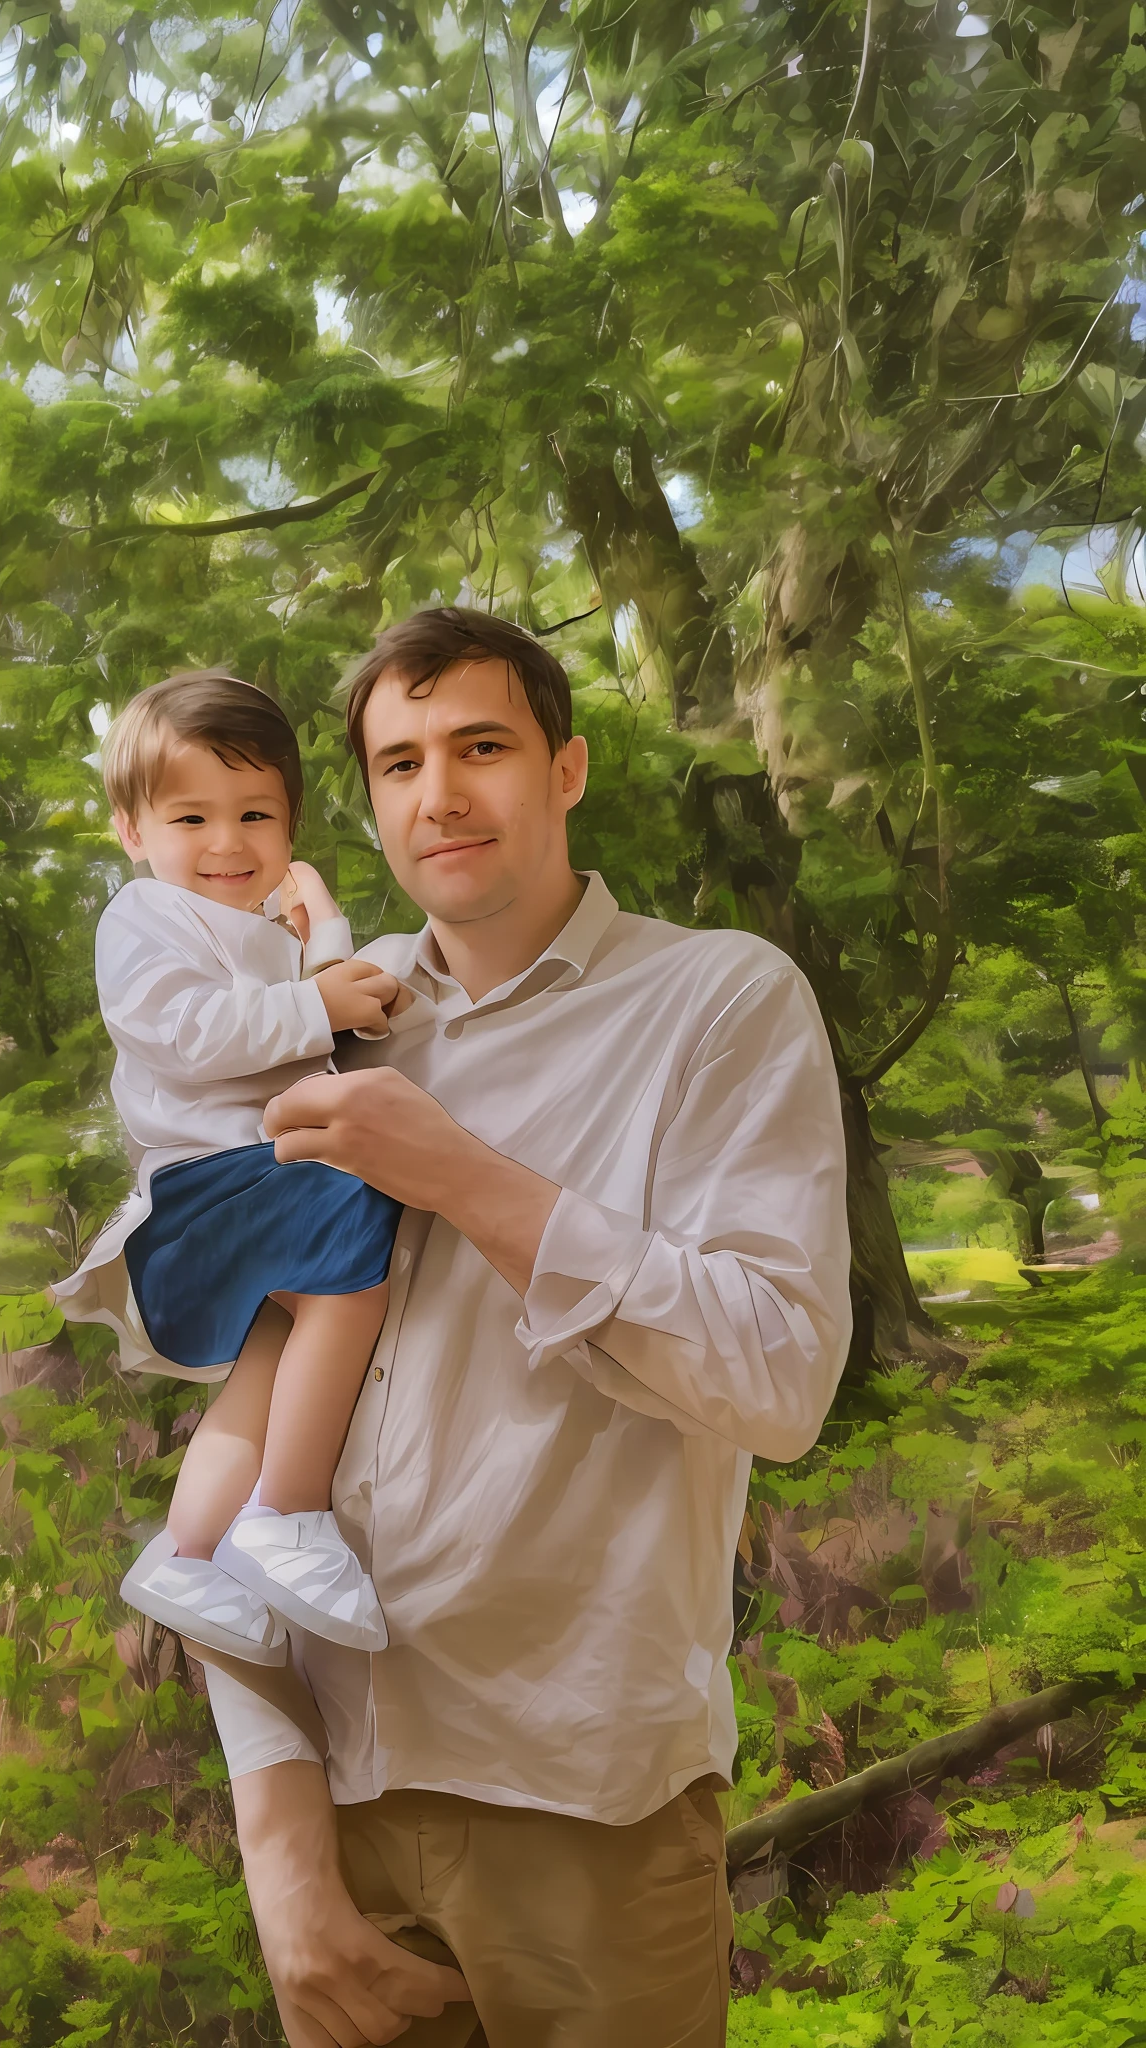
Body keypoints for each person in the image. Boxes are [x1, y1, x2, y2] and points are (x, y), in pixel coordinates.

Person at [63, 610, 852, 2047]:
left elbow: (781, 1378)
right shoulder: (316, 1026)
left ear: (567, 768)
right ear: (364, 802)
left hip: (588, 1810)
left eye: (481, 745)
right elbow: (247, 1423)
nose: (439, 793)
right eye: (399, 760)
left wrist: (468, 1181)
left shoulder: (717, 1002)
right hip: (334, 1815)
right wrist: (283, 1854)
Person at [56, 669, 424, 1667]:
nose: (228, 842)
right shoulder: (144, 919)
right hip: (204, 1186)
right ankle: (290, 1512)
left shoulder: (260, 932)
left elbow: (328, 1023)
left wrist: (322, 927)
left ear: (290, 823)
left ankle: (186, 1550)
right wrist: (319, 995)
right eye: (191, 816)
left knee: (272, 1358)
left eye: (256, 813)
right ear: (133, 830)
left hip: (249, 1179)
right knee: (362, 1234)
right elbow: (190, 1032)